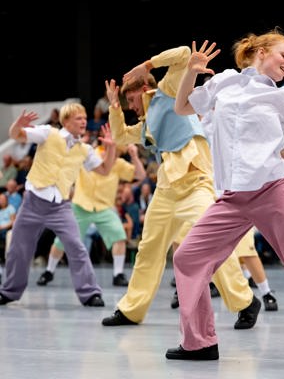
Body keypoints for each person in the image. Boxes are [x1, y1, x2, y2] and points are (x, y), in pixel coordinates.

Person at [167, 31, 284, 364]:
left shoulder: (281, 96)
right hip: (232, 196)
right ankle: (199, 343)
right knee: (187, 257)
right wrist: (191, 72)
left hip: (274, 188)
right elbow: (182, 107)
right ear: (262, 51)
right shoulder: (223, 82)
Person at [101, 45, 261, 330]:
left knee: (212, 246)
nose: (131, 106)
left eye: (131, 99)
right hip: (166, 190)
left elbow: (185, 54)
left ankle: (246, 301)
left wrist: (146, 65)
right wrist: (114, 108)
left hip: (197, 184)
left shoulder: (169, 92)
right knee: (148, 250)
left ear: (143, 89)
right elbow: (121, 136)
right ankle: (131, 310)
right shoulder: (146, 125)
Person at [0, 103, 116, 307]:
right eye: (79, 118)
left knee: (76, 247)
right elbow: (16, 135)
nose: (84, 121)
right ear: (66, 121)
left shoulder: (85, 150)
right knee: (19, 248)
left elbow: (105, 170)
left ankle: (90, 293)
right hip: (32, 203)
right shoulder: (48, 133)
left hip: (60, 207)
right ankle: (9, 292)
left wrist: (111, 147)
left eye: (85, 118)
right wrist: (17, 124)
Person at [36, 143, 146, 287]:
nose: (115, 155)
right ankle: (49, 271)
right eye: (113, 150)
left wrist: (134, 156)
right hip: (80, 206)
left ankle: (118, 274)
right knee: (62, 240)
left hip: (104, 208)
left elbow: (141, 175)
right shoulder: (88, 155)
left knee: (119, 236)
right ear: (105, 147)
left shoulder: (119, 164)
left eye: (118, 153)